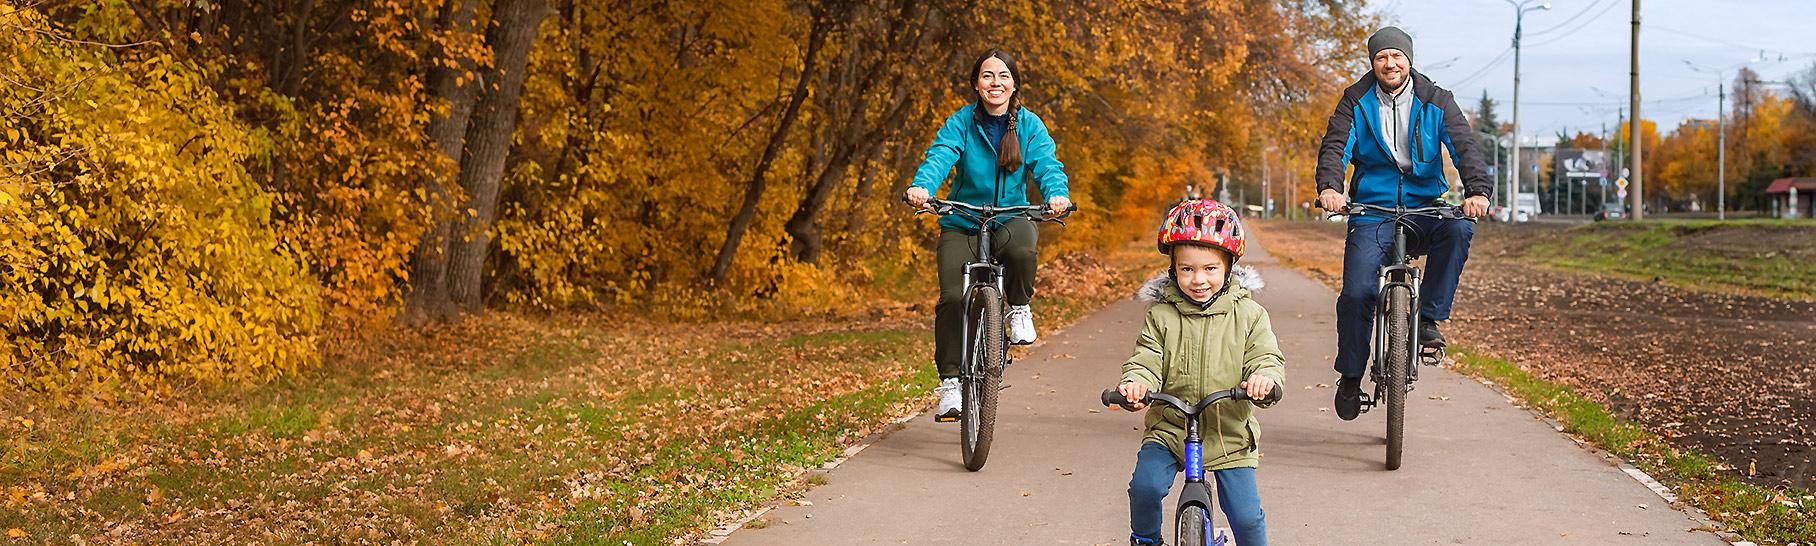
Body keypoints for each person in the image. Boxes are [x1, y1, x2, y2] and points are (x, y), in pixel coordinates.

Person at [1314, 26, 1493, 421]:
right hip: (1371, 212)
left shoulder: (1436, 100)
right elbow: (1335, 147)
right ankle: (1350, 376)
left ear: (1408, 60)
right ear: (1373, 62)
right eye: (1381, 58)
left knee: (1459, 228)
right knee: (1358, 294)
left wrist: (1477, 191)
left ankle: (1427, 317)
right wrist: (1330, 187)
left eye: (1396, 56)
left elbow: (1465, 146)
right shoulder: (1355, 101)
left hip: (1425, 208)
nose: (1389, 64)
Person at [905, 48, 1071, 420]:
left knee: (1023, 251)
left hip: (1010, 216)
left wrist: (1056, 194)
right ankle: (950, 384)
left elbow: (1047, 163)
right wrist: (923, 188)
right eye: (987, 76)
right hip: (963, 219)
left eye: (1003, 76)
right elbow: (940, 155)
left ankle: (1019, 307)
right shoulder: (961, 122)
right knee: (951, 299)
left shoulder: (1029, 125)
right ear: (977, 85)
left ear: (1013, 84)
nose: (995, 82)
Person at [1115, 200, 1283, 546]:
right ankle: (1146, 541)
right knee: (1143, 488)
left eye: (1210, 268)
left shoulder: (1249, 315)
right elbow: (1146, 357)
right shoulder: (1162, 316)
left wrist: (1263, 380)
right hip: (1171, 430)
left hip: (1229, 435)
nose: (1198, 279)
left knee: (1247, 518)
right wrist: (1136, 385)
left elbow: (1265, 356)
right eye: (1186, 269)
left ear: (1229, 266)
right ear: (1173, 269)